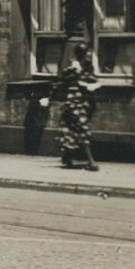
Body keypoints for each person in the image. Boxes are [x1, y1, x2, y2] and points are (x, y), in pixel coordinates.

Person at [55, 41, 99, 171]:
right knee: (83, 130)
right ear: (81, 54)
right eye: (87, 53)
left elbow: (92, 80)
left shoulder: (88, 67)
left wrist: (93, 85)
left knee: (71, 130)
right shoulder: (72, 69)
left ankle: (67, 158)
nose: (89, 55)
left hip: (84, 102)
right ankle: (91, 162)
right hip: (74, 103)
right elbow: (63, 82)